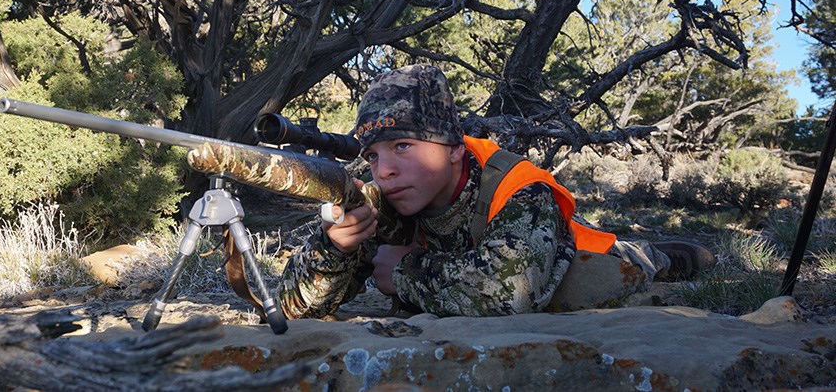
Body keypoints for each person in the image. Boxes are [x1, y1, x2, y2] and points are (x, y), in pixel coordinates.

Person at [276, 64, 713, 319]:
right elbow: (291, 308)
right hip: (480, 261)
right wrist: (332, 248)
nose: (384, 170)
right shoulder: (386, 198)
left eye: (403, 146)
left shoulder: (519, 189)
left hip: (588, 254)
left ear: (451, 148)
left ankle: (672, 254)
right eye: (372, 156)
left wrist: (406, 272)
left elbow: (509, 295)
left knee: (635, 265)